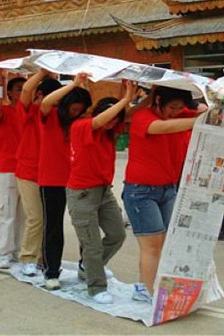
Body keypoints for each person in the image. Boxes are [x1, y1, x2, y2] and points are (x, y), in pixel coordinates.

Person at [122, 85, 202, 303]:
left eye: (180, 107)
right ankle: (150, 293)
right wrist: (197, 121)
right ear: (157, 101)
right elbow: (163, 128)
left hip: (167, 189)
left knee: (164, 243)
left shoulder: (180, 113)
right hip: (141, 191)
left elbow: (204, 111)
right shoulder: (142, 117)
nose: (176, 112)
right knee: (152, 246)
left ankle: (143, 285)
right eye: (172, 107)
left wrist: (197, 104)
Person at [66, 81, 135, 304]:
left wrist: (146, 96)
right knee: (92, 244)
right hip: (82, 193)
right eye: (110, 117)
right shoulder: (81, 126)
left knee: (117, 234)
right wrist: (124, 100)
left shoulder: (109, 133)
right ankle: (96, 287)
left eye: (116, 118)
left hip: (104, 192)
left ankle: (89, 266)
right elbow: (100, 120)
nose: (113, 122)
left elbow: (129, 115)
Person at [39, 73, 92, 290]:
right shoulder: (49, 116)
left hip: (78, 180)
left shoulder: (82, 123)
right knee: (53, 227)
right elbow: (46, 101)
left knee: (84, 226)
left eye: (81, 109)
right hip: (51, 179)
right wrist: (74, 85)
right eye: (73, 109)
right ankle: (51, 271)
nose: (77, 113)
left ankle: (85, 266)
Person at [15, 70, 61, 276]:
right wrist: (42, 71)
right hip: (29, 171)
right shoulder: (29, 111)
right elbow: (26, 89)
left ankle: (45, 257)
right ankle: (28, 257)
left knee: (50, 219)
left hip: (51, 173)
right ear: (39, 95)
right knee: (36, 217)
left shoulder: (58, 114)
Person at [0, 73, 27, 269]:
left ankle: (18, 250)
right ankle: (3, 252)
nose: (23, 92)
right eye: (19, 89)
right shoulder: (3, 111)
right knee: (6, 212)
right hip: (6, 167)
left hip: (27, 168)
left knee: (23, 214)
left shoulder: (30, 112)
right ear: (11, 94)